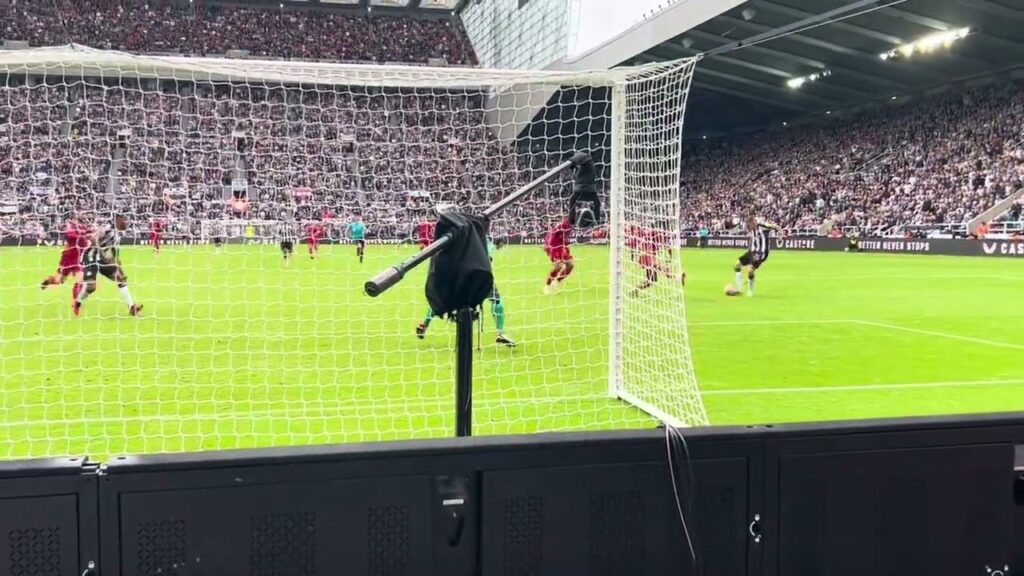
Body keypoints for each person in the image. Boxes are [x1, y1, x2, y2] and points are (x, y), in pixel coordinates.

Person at [416, 236, 515, 347]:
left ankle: (424, 324)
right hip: (480, 277)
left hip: (458, 277)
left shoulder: (462, 236)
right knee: (497, 301)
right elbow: (486, 260)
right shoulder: (487, 242)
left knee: (442, 299)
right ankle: (500, 332)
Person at [73, 215, 142, 317]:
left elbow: (114, 253)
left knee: (121, 279)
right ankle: (77, 302)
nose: (127, 223)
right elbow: (94, 238)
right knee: (91, 288)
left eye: (127, 221)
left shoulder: (118, 235)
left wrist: (118, 267)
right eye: (125, 220)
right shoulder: (107, 229)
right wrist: (95, 237)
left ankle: (132, 307)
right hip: (91, 258)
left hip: (104, 260)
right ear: (117, 220)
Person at [41, 216, 91, 302]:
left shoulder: (84, 232)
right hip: (68, 259)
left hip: (76, 259)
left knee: (62, 280)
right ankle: (76, 301)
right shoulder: (72, 231)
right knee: (66, 280)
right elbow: (70, 234)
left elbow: (89, 239)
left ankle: (48, 281)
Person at [731, 216, 781, 297]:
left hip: (761, 252)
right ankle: (739, 289)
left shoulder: (763, 226)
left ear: (754, 223)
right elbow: (734, 230)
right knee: (737, 265)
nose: (749, 228)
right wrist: (732, 230)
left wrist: (780, 237)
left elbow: (777, 227)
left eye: (750, 225)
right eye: (748, 226)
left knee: (750, 270)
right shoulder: (747, 227)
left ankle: (750, 291)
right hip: (752, 251)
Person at [629, 225, 684, 296]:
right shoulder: (658, 235)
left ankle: (636, 289)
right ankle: (678, 277)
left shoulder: (650, 234)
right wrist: (670, 257)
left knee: (652, 280)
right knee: (659, 268)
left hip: (645, 256)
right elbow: (668, 247)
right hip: (648, 256)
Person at [543, 216, 574, 294]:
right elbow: (552, 234)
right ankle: (547, 286)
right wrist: (548, 247)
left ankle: (556, 282)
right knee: (559, 266)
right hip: (553, 245)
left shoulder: (571, 225)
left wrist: (566, 246)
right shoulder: (563, 225)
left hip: (561, 245)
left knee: (570, 265)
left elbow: (564, 237)